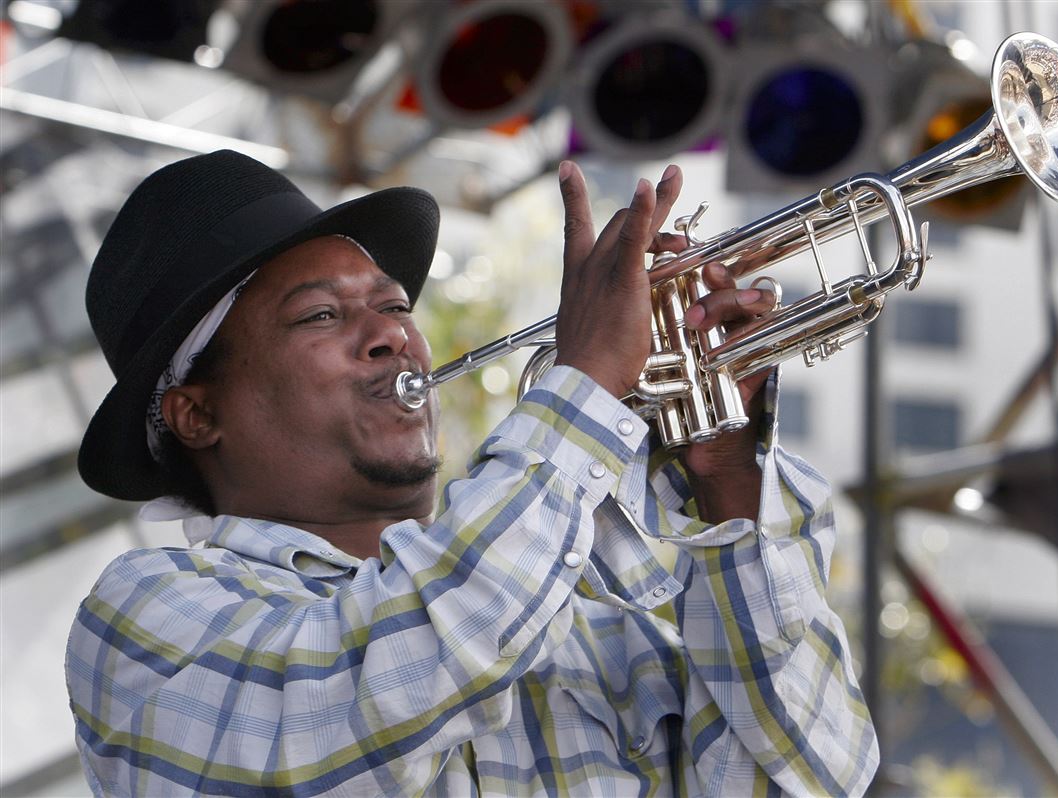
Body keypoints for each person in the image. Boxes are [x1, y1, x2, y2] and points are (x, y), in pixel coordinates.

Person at [66, 149, 878, 796]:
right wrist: (586, 386)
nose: (393, 337)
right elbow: (373, 692)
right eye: (321, 315)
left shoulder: (585, 617)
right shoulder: (146, 616)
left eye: (394, 307)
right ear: (197, 414)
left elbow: (814, 776)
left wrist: (725, 468)